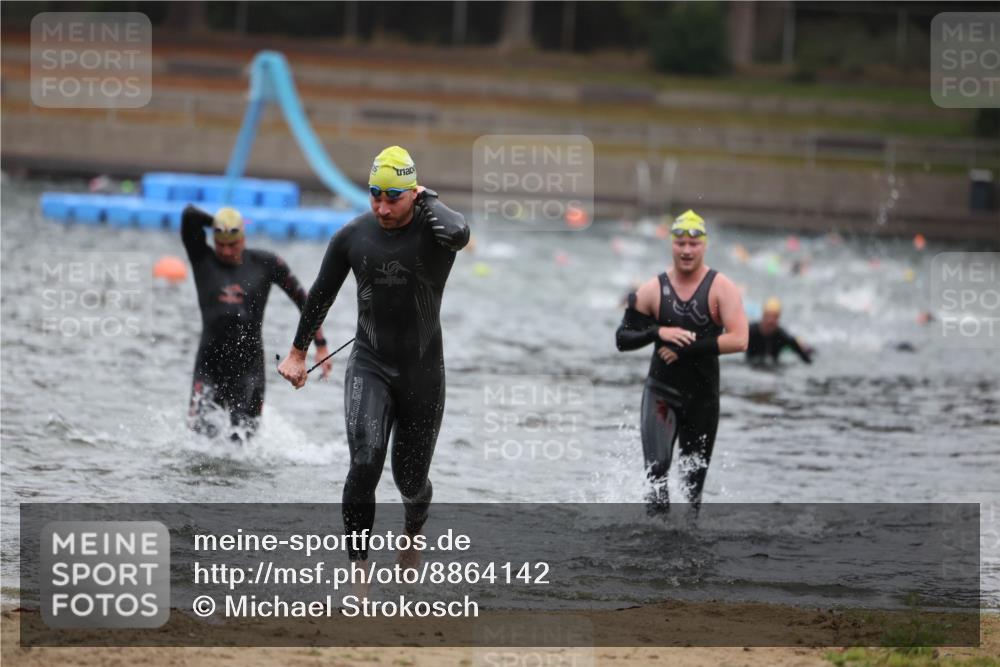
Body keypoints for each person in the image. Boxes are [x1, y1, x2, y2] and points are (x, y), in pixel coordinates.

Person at [277, 146, 469, 580]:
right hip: (370, 364)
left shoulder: (436, 231)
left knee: (410, 481)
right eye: (374, 196)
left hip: (423, 372)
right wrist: (297, 352)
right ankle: (359, 578)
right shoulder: (352, 237)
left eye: (393, 198)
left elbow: (460, 232)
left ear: (413, 193)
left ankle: (413, 531)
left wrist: (427, 198)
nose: (382, 208)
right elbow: (320, 295)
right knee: (365, 463)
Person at [615, 210, 748, 512]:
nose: (687, 250)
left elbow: (740, 339)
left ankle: (685, 539)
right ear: (671, 244)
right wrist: (658, 332)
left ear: (704, 245)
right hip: (661, 394)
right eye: (680, 243)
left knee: (692, 489)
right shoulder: (653, 289)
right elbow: (622, 339)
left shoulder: (721, 288)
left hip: (702, 399)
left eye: (693, 244)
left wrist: (685, 349)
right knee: (656, 470)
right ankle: (654, 535)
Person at [182, 205, 331, 442]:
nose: (226, 250)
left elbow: (305, 301)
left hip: (248, 369)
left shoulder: (266, 263)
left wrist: (320, 345)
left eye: (233, 244)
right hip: (209, 367)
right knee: (200, 442)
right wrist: (219, 222)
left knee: (243, 445)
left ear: (243, 237)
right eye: (220, 244)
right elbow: (189, 215)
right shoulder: (202, 258)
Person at [746, 297, 813, 366]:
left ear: (778, 318)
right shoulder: (750, 332)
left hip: (774, 367)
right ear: (763, 315)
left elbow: (806, 358)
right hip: (751, 366)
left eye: (774, 317)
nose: (770, 320)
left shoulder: (782, 336)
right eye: (768, 316)